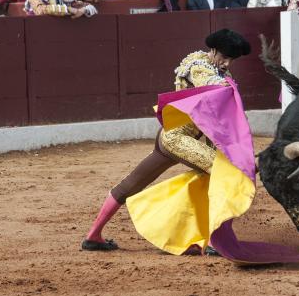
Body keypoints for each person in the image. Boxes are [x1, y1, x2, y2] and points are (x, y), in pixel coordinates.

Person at [82, 28, 251, 251]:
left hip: (169, 137)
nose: (227, 63)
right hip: (179, 139)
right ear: (213, 50)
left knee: (132, 183)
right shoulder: (201, 68)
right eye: (225, 57)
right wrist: (228, 85)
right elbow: (210, 86)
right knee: (226, 172)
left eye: (231, 59)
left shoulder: (206, 64)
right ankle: (214, 240)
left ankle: (93, 236)